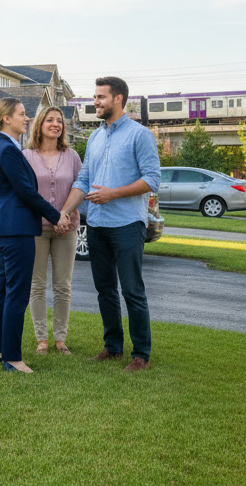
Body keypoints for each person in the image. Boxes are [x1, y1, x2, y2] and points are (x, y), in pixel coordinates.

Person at [60, 76, 161, 372]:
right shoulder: (95, 137)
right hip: (98, 224)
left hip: (128, 223)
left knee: (132, 290)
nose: (95, 102)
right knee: (104, 289)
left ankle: (141, 354)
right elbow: (83, 180)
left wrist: (112, 193)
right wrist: (65, 212)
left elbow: (152, 180)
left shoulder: (139, 135)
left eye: (101, 97)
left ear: (118, 99)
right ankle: (113, 347)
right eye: (95, 97)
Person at [0, 98, 71, 373]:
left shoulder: (4, 147)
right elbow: (26, 192)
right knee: (16, 294)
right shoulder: (7, 150)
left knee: (3, 290)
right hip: (16, 229)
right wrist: (56, 215)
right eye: (22, 114)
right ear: (6, 118)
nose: (27, 118)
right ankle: (12, 357)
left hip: (6, 228)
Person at [22, 106, 82, 355]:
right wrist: (51, 216)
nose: (56, 124)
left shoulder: (72, 156)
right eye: (50, 120)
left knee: (62, 285)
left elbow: (81, 187)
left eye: (59, 121)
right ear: (40, 124)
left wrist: (64, 217)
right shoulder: (26, 156)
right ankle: (41, 340)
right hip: (35, 228)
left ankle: (60, 339)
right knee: (36, 286)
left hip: (66, 230)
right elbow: (25, 192)